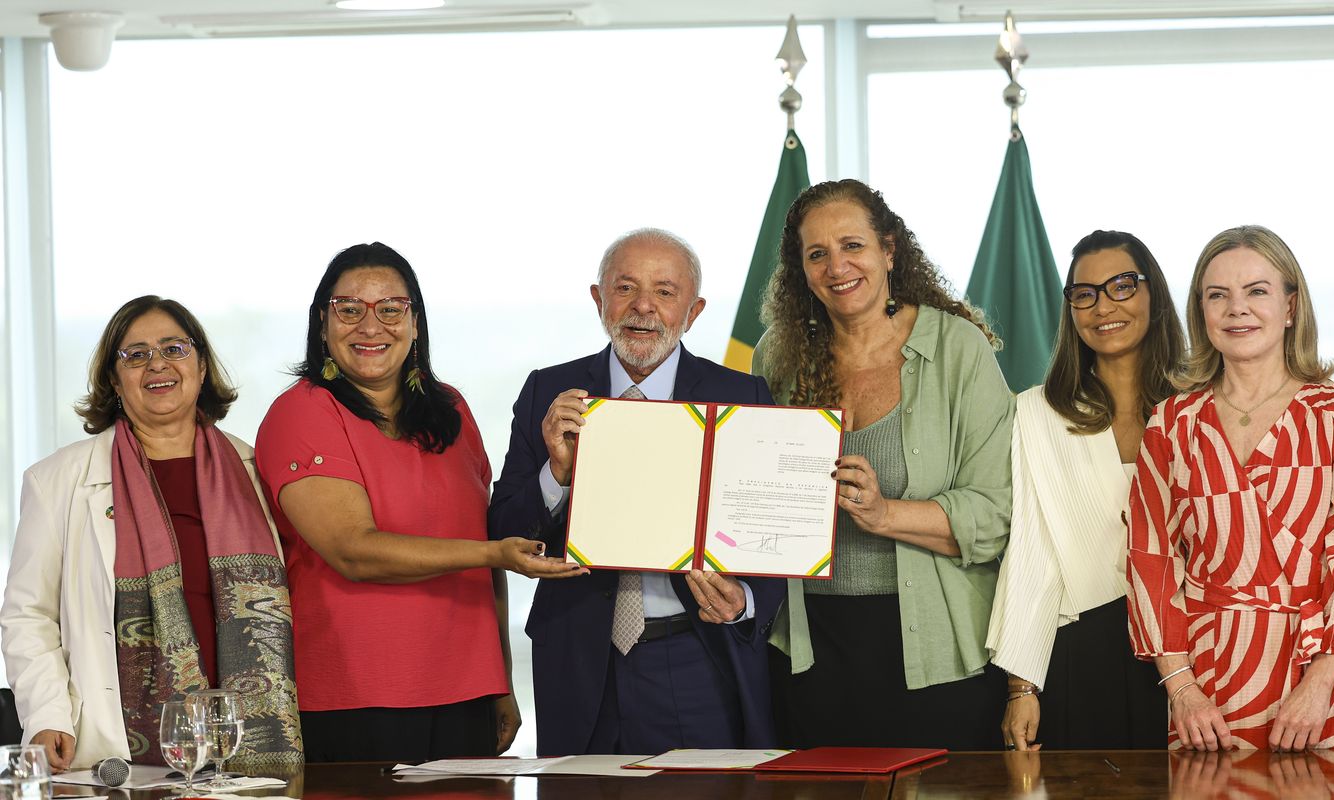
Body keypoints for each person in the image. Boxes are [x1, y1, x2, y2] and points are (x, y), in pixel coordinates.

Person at [488, 228, 783, 756]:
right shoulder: (547, 391)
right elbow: (505, 529)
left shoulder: (740, 396)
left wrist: (744, 602)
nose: (643, 306)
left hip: (698, 655)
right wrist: (558, 472)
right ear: (599, 300)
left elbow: (771, 534)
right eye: (625, 288)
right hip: (577, 659)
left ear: (693, 311)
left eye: (665, 292)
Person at [255, 243, 555, 763]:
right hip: (356, 695)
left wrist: (501, 678)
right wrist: (494, 553)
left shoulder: (451, 409)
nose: (371, 326)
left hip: (466, 689)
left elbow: (486, 553)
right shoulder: (301, 413)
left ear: (416, 323)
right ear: (322, 323)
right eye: (350, 309)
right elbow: (354, 551)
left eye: (391, 309)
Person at [753, 179, 1013, 750]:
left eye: (852, 245)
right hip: (808, 649)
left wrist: (883, 513)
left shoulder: (957, 348)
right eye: (816, 254)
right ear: (801, 270)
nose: (836, 267)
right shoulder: (776, 355)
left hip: (937, 648)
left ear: (889, 250)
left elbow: (995, 517)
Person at [1126, 225, 1334, 751]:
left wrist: (1320, 683)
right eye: (1218, 295)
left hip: (1324, 673)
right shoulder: (1172, 424)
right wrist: (1182, 690)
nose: (1237, 309)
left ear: (1290, 306)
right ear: (1201, 312)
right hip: (1208, 685)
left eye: (1256, 291)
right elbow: (1151, 561)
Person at [2, 296, 300, 771]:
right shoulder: (57, 480)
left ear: (201, 367)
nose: (157, 364)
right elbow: (28, 614)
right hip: (116, 741)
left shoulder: (253, 469)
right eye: (136, 355)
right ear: (113, 379)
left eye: (174, 349)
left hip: (242, 739)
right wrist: (46, 713)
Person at [986, 230, 1183, 751]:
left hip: (1195, 643)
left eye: (1122, 286)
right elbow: (1031, 550)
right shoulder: (1039, 412)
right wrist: (1021, 686)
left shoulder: (1200, 403)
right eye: (1084, 293)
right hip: (1084, 647)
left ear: (1153, 293)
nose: (1103, 307)